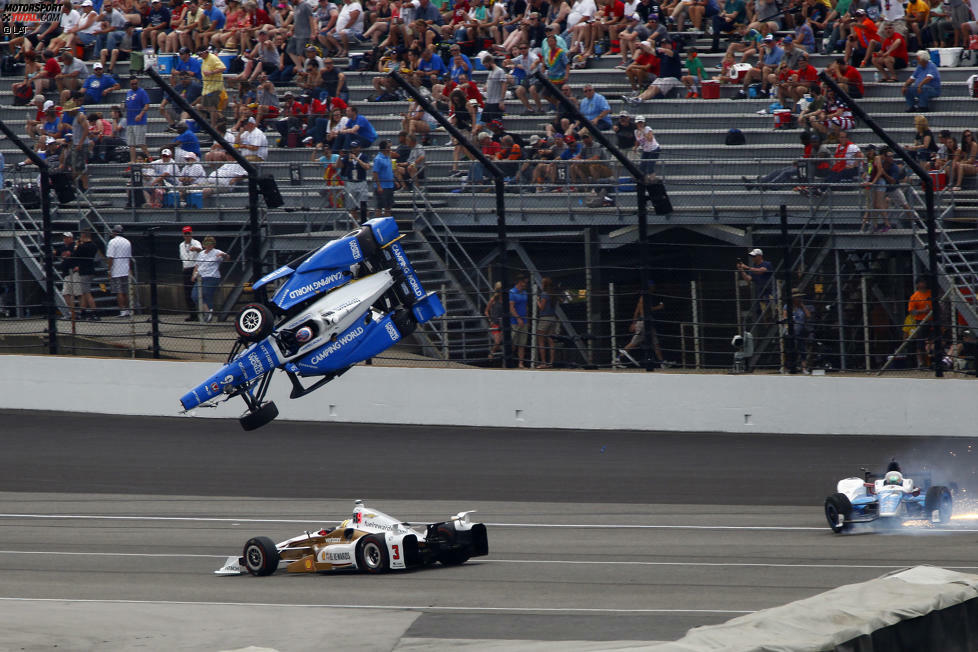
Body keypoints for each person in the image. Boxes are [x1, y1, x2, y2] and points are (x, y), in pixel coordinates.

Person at [620, 281, 666, 367]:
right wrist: (659, 307)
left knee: (655, 343)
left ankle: (662, 362)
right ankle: (618, 359)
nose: (654, 288)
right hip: (643, 323)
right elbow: (646, 310)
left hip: (645, 322)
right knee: (634, 342)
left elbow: (636, 311)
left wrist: (633, 323)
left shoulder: (644, 297)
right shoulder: (645, 297)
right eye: (652, 286)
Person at [191, 236, 230, 322]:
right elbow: (197, 265)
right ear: (204, 244)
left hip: (212, 276)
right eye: (207, 243)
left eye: (211, 244)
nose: (209, 245)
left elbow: (227, 257)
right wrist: (194, 274)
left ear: (213, 244)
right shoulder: (201, 253)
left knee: (205, 293)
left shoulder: (217, 251)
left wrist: (223, 255)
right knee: (194, 295)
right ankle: (207, 311)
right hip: (201, 277)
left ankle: (209, 313)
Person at [737, 247, 774, 320]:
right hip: (760, 296)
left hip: (769, 294)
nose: (752, 258)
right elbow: (748, 279)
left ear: (760, 256)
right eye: (752, 256)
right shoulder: (753, 267)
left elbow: (761, 270)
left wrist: (747, 268)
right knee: (763, 316)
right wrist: (741, 270)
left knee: (770, 312)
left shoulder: (767, 264)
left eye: (754, 256)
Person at [783, 289, 814, 373]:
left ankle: (804, 367)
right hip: (791, 330)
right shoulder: (787, 307)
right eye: (797, 297)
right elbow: (785, 317)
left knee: (802, 348)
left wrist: (802, 306)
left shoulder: (802, 307)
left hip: (801, 330)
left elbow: (808, 316)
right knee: (789, 349)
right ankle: (787, 367)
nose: (799, 299)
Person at [106, 224, 132, 317]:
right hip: (125, 269)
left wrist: (109, 270)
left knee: (119, 291)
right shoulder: (127, 242)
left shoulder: (112, 242)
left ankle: (122, 310)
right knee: (125, 291)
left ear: (114, 232)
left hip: (116, 270)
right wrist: (130, 270)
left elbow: (110, 257)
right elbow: (129, 258)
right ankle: (128, 309)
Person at [73, 229, 100, 320]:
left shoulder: (82, 247)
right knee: (84, 292)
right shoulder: (94, 246)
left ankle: (94, 312)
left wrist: (77, 245)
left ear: (83, 236)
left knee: (87, 292)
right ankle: (83, 311)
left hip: (84, 270)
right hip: (91, 269)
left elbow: (75, 255)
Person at [907, 278, 933, 368]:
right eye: (920, 282)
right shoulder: (914, 296)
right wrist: (924, 310)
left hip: (932, 320)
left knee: (933, 340)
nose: (922, 284)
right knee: (920, 343)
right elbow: (912, 311)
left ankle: (934, 361)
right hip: (921, 321)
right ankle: (922, 363)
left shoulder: (931, 293)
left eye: (923, 282)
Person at [536, 277, 561, 368]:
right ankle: (551, 362)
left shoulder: (544, 294)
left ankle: (543, 362)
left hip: (544, 318)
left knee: (541, 340)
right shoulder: (553, 294)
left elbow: (541, 307)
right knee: (551, 341)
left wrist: (537, 301)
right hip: (553, 318)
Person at [125, 76, 150, 162]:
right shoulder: (128, 93)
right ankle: (132, 161)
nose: (134, 85)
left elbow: (147, 105)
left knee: (141, 143)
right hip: (130, 121)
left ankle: (149, 159)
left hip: (139, 122)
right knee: (131, 144)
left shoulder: (142, 92)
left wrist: (140, 115)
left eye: (136, 83)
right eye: (132, 84)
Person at [179, 226, 203, 320]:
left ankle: (200, 312)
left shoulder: (196, 242)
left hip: (194, 268)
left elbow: (201, 250)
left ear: (191, 234)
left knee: (195, 292)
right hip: (186, 268)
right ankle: (193, 314)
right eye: (185, 234)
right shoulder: (181, 245)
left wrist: (195, 249)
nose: (187, 236)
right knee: (187, 293)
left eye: (189, 234)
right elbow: (182, 257)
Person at [56, 231, 79, 319]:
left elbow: (78, 255)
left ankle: (79, 312)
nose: (65, 239)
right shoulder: (63, 247)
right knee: (65, 293)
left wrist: (78, 266)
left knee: (76, 293)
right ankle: (71, 312)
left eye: (67, 237)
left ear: (71, 238)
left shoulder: (74, 246)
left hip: (73, 272)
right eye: (64, 238)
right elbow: (56, 252)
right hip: (66, 273)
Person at [509, 275, 530, 368]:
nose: (525, 284)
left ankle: (520, 363)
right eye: (524, 282)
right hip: (514, 321)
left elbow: (526, 306)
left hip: (524, 321)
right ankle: (510, 360)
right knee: (513, 342)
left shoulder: (525, 293)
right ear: (519, 282)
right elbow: (511, 307)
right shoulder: (512, 292)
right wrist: (518, 318)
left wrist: (527, 319)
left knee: (522, 343)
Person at [372, 140, 396, 218]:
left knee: (388, 207)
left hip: (389, 186)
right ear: (384, 149)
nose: (390, 149)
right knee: (379, 207)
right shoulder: (378, 159)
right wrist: (379, 186)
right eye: (388, 147)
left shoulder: (388, 157)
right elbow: (375, 173)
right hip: (382, 187)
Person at [485, 280, 505, 359]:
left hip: (503, 322)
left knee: (508, 341)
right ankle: (492, 353)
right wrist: (490, 320)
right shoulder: (493, 299)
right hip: (495, 322)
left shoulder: (505, 299)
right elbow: (486, 311)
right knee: (497, 341)